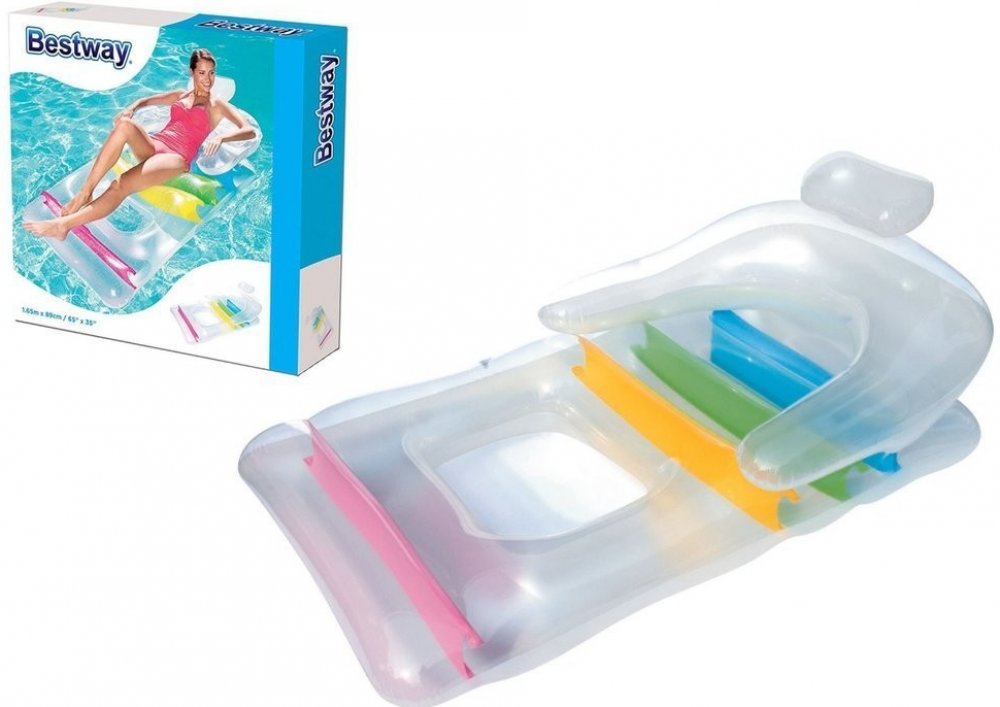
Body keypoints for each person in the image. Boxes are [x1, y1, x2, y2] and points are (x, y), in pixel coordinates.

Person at [24, 48, 255, 241]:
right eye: (202, 73)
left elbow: (248, 130)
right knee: (124, 125)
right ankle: (86, 193)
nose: (207, 79)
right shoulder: (180, 95)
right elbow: (146, 100)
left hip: (176, 158)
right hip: (155, 144)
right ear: (192, 72)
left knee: (120, 184)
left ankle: (63, 226)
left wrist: (221, 137)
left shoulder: (217, 105)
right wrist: (131, 109)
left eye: (211, 73)